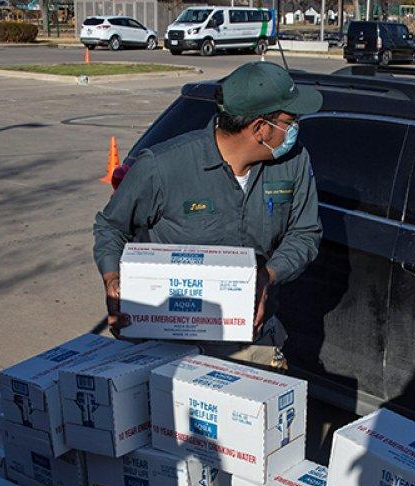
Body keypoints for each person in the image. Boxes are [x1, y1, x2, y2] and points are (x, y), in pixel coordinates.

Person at [93, 62, 323, 364]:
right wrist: (113, 280)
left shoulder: (293, 161)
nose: (295, 129)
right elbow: (111, 227)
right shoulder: (163, 166)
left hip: (249, 341)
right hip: (167, 346)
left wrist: (269, 275)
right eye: (290, 120)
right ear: (259, 128)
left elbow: (305, 233)